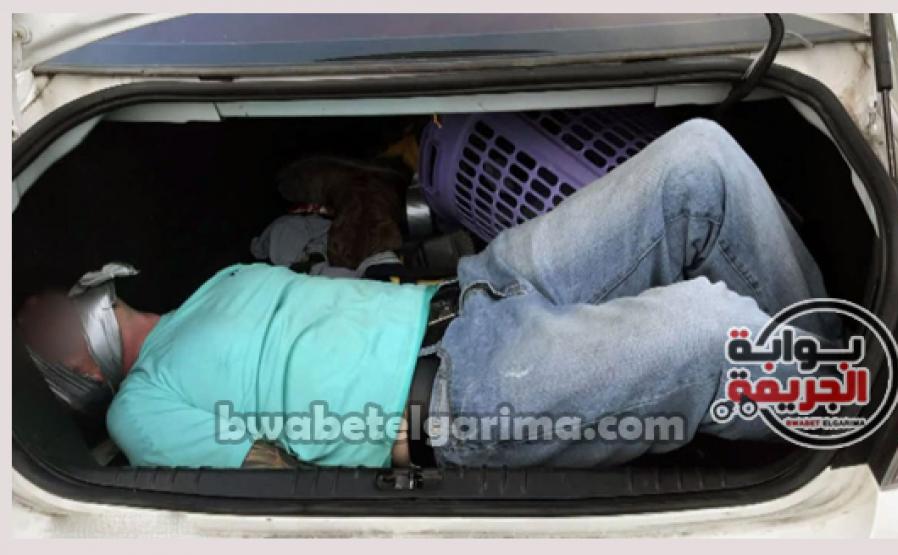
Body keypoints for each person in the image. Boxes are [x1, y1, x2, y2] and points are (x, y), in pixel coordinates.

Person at [16, 119, 838, 470]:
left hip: (475, 288)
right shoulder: (139, 407)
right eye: (36, 328)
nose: (44, 306)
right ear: (73, 370)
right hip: (457, 392)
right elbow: (269, 482)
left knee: (699, 160)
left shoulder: (215, 284)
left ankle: (833, 391)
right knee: (711, 332)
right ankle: (844, 410)